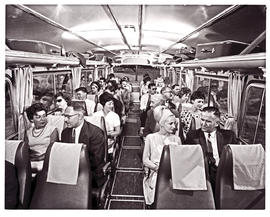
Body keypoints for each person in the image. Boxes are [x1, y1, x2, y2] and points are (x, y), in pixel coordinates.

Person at [185, 106, 238, 192]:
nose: (203, 124)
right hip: (203, 174)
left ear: (217, 123)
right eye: (202, 120)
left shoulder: (228, 136)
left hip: (223, 172)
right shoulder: (192, 136)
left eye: (208, 121)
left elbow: (235, 157)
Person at [143, 107, 182, 207]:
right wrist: (158, 169)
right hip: (156, 173)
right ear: (161, 123)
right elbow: (145, 160)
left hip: (172, 174)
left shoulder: (177, 139)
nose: (174, 126)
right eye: (170, 124)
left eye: (175, 124)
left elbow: (180, 160)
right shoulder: (151, 138)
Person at [61, 103, 106, 188]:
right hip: (69, 171)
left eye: (68, 117)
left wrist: (74, 168)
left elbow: (96, 160)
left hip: (90, 172)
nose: (65, 120)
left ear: (80, 116)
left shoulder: (95, 133)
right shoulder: (65, 133)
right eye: (64, 116)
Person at [25, 103, 59, 173]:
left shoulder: (52, 130)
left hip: (46, 160)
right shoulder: (28, 132)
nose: (42, 119)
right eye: (38, 117)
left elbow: (53, 150)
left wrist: (38, 158)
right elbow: (25, 149)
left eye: (44, 116)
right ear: (31, 119)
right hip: (31, 160)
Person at [94, 92, 121, 161]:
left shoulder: (115, 116)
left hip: (109, 139)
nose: (111, 106)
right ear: (103, 104)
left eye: (112, 104)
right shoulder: (95, 115)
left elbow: (118, 131)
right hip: (97, 139)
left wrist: (108, 134)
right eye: (109, 104)